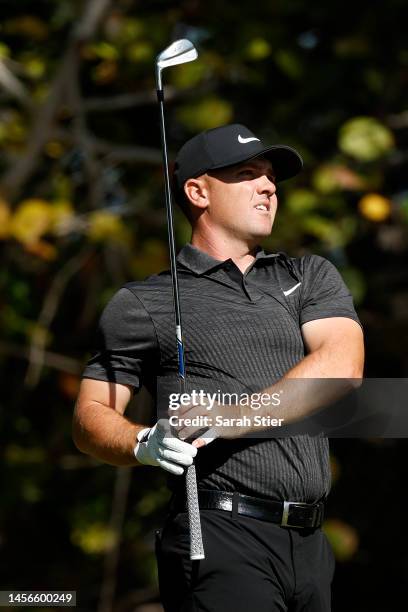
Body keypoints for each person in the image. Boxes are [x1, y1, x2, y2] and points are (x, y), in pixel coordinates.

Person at [73, 123, 364, 612]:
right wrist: (142, 442)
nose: (269, 187)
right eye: (248, 174)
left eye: (271, 178)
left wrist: (229, 417)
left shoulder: (309, 275)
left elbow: (342, 366)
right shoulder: (143, 303)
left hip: (312, 545)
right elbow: (89, 415)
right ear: (198, 191)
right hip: (218, 537)